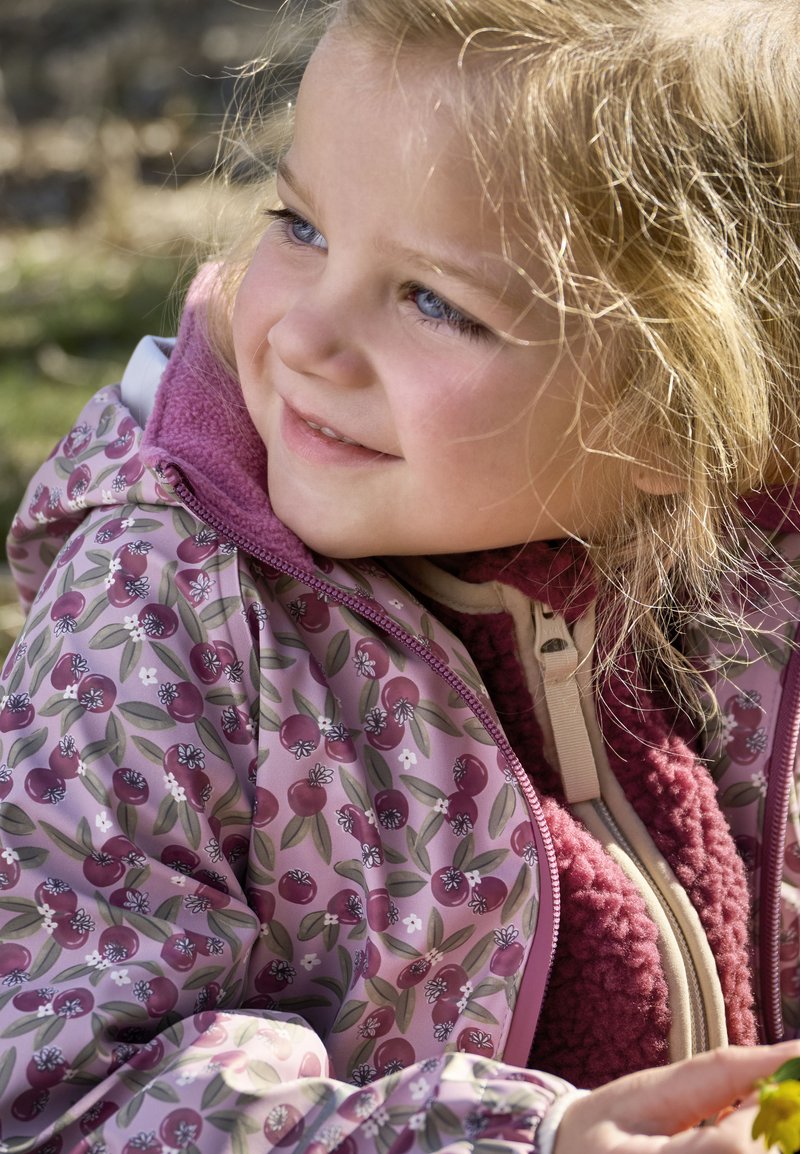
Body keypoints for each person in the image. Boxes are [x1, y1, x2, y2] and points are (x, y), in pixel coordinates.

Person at [2, 0, 800, 1149]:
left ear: (680, 416)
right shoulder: (152, 626)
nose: (304, 338)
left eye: (432, 300)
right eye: (301, 226)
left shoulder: (740, 583)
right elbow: (61, 1093)